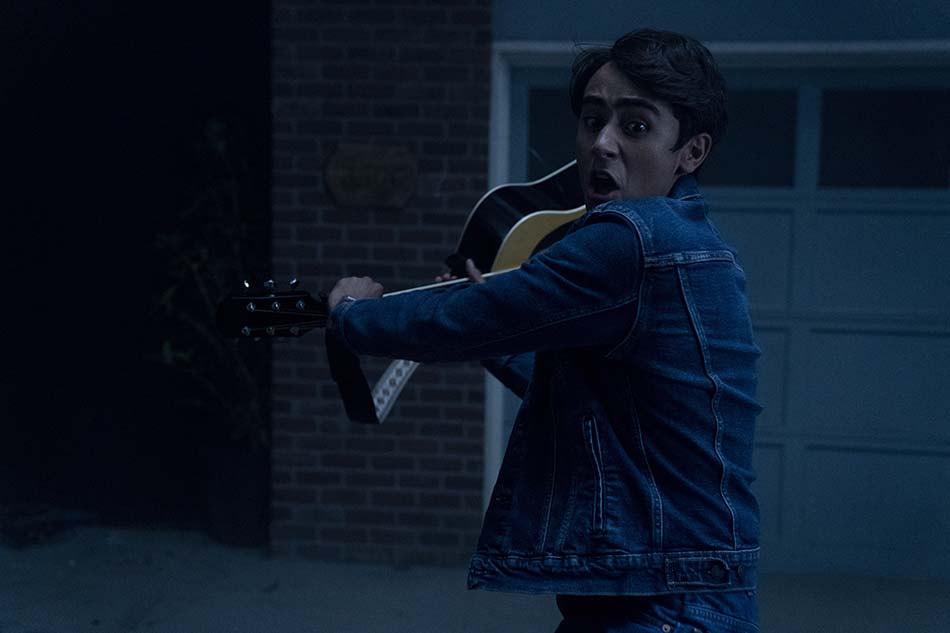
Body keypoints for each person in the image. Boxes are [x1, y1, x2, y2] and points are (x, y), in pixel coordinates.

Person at [327, 28, 761, 633]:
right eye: (592, 120)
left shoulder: (634, 240)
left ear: (691, 151)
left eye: (635, 126)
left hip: (664, 603)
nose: (602, 143)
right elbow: (605, 402)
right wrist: (501, 330)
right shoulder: (689, 241)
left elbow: (464, 322)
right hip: (676, 588)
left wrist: (352, 313)